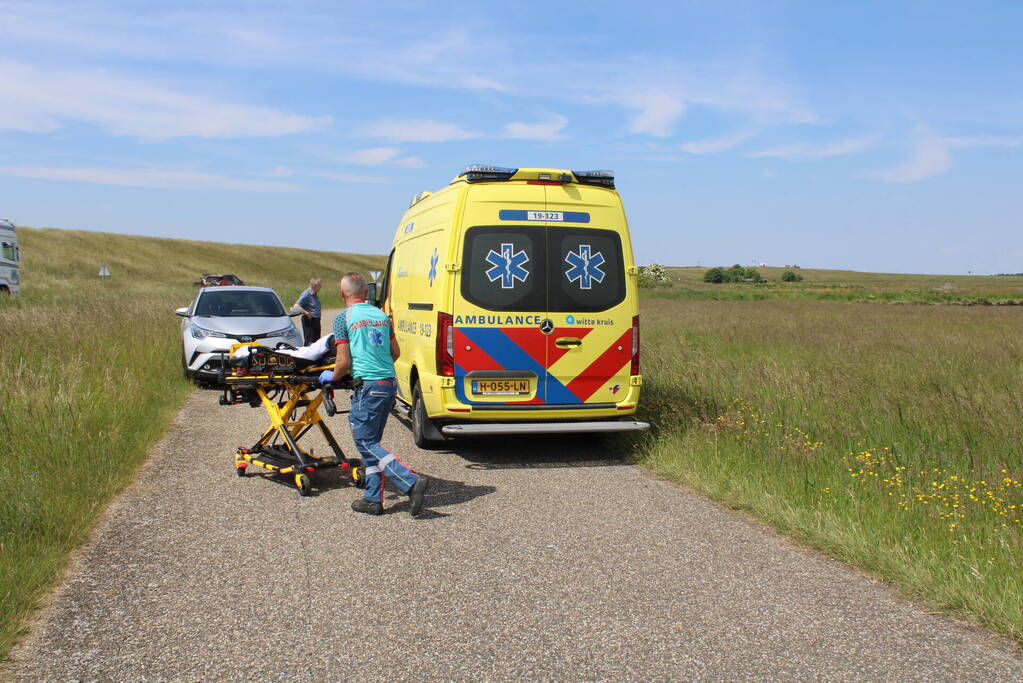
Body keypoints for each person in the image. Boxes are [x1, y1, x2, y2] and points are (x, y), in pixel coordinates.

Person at [321, 272, 429, 517]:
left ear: (342, 294)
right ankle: (372, 499)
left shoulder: (343, 319)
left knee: (365, 442)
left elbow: (343, 361)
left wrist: (333, 377)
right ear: (366, 292)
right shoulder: (381, 315)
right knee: (371, 444)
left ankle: (410, 482)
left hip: (368, 387)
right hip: (388, 384)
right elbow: (396, 351)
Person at [293, 277, 322, 343]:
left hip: (316, 321)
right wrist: (306, 313)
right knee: (310, 342)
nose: (321, 287)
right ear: (314, 286)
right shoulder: (306, 294)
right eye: (319, 285)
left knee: (316, 342)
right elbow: (296, 306)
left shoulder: (314, 295)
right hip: (309, 321)